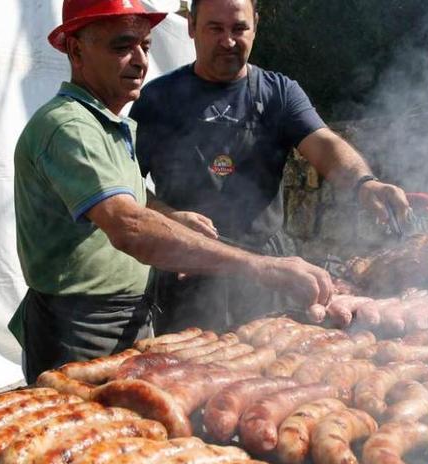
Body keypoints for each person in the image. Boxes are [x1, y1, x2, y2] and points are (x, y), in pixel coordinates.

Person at [10, 0, 333, 383]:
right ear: (77, 50)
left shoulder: (107, 125)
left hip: (130, 313)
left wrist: (167, 216)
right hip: (80, 326)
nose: (140, 60)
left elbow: (127, 198)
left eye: (145, 46)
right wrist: (259, 266)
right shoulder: (70, 127)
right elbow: (128, 225)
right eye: (122, 46)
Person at [129, 0, 413, 332]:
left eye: (239, 28)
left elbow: (324, 144)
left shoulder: (278, 92)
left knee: (265, 363)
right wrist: (166, 214)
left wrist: (365, 183)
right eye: (215, 28)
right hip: (188, 269)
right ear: (192, 27)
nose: (228, 41)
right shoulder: (156, 99)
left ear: (256, 26)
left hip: (265, 270)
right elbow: (127, 184)